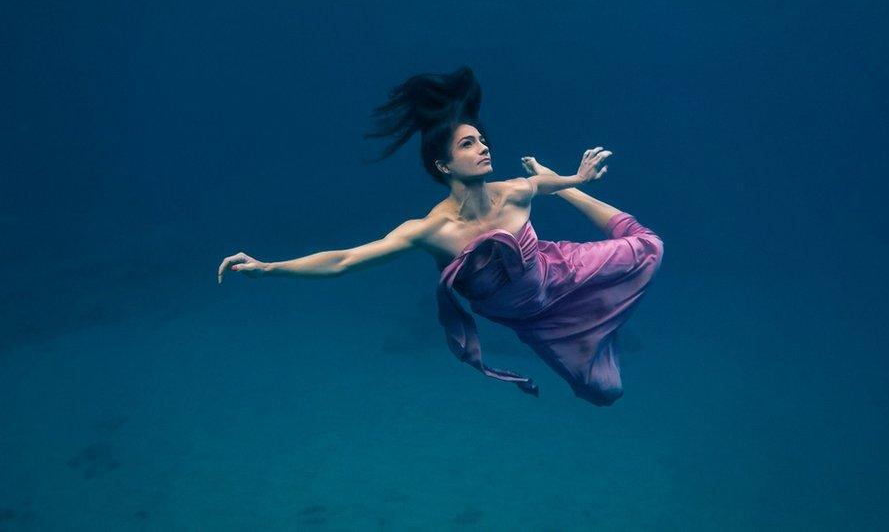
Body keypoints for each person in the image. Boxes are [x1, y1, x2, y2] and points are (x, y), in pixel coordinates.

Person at [217, 66, 663, 406]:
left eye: (481, 139)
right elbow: (344, 260)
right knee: (603, 391)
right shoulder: (430, 231)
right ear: (443, 167)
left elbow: (540, 185)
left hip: (561, 274)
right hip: (533, 319)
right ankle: (593, 326)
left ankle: (580, 203)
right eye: (468, 144)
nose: (484, 146)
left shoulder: (515, 191)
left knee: (649, 248)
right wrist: (268, 268)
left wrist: (574, 179)